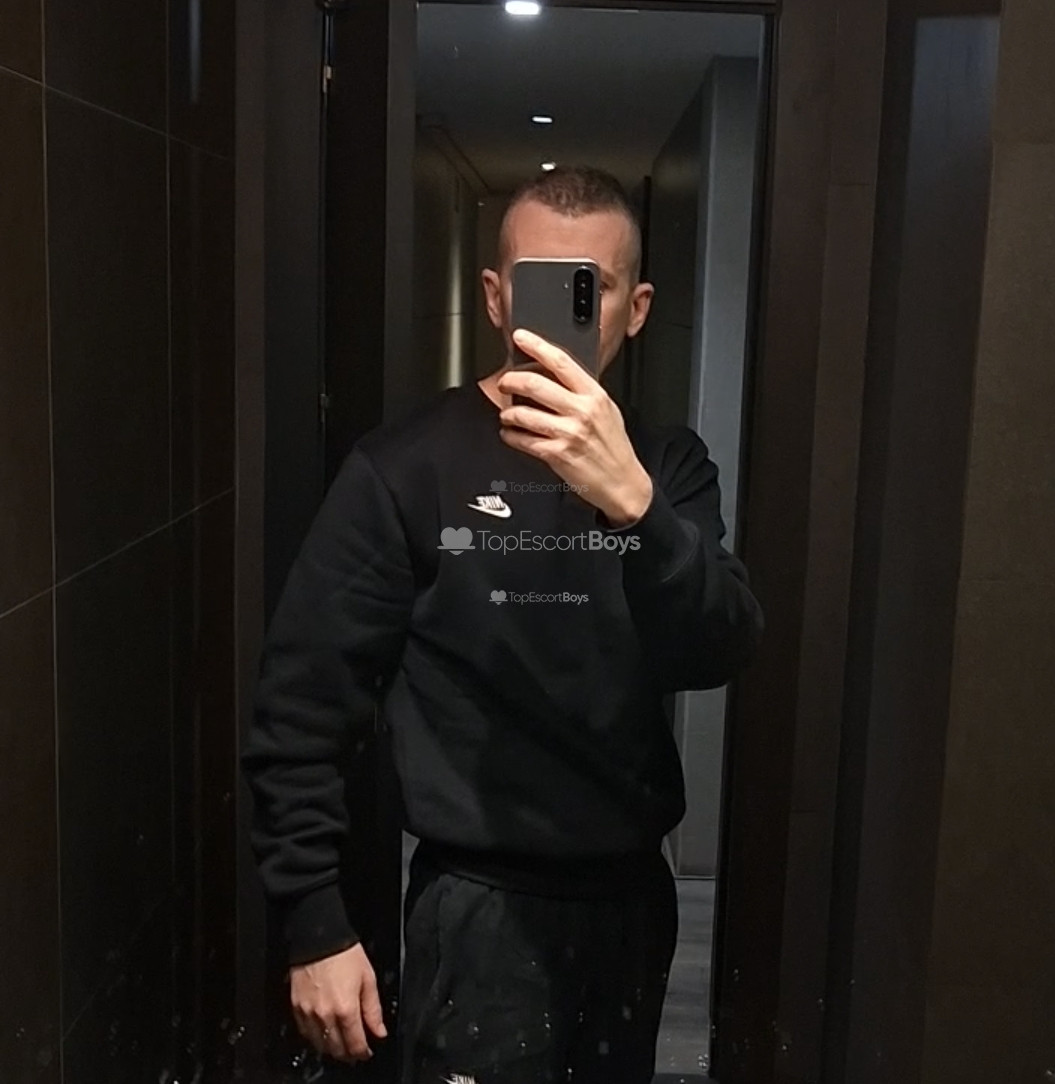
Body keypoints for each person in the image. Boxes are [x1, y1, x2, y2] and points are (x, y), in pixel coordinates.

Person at [241, 165, 764, 1083]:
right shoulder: (405, 468)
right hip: (475, 904)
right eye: (538, 287)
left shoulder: (668, 468)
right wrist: (313, 921)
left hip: (630, 899)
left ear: (636, 309)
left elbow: (717, 646)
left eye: (590, 289)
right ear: (493, 297)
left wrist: (633, 507)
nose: (561, 315)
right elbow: (302, 702)